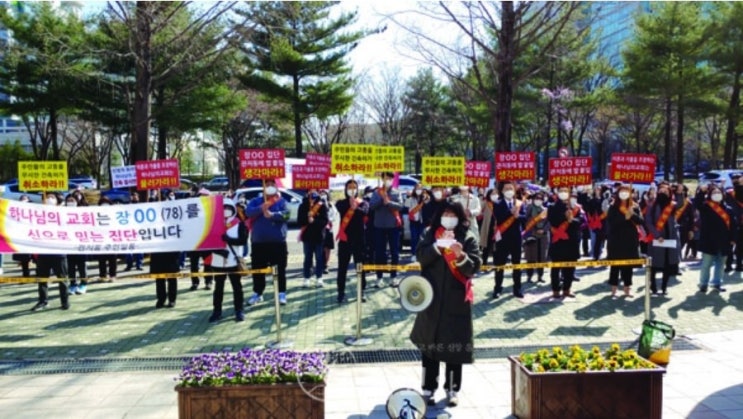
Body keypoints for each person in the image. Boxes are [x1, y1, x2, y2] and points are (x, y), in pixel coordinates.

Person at [410, 201, 482, 408]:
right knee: (429, 347)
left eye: (453, 214)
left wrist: (460, 255)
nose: (448, 217)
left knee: (454, 347)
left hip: (456, 300)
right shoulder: (429, 234)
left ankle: (452, 389)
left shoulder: (467, 237)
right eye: (445, 213)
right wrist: (436, 247)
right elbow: (421, 257)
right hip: (431, 298)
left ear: (460, 217)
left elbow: (473, 268)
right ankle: (428, 388)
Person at [245, 179, 290, 305]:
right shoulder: (256, 201)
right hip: (259, 244)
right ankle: (258, 293)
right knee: (258, 270)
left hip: (277, 243)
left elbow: (287, 215)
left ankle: (281, 293)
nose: (270, 187)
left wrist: (273, 215)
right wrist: (261, 208)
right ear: (263, 187)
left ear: (276, 187)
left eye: (272, 185)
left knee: (280, 269)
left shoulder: (281, 201)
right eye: (267, 184)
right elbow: (248, 212)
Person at [208, 198, 247, 322]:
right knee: (218, 288)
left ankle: (239, 310)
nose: (226, 211)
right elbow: (208, 243)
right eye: (223, 208)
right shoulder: (214, 225)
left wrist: (228, 239)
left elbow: (243, 241)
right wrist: (218, 251)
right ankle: (217, 311)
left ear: (233, 210)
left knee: (237, 287)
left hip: (233, 261)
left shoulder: (239, 224)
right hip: (218, 261)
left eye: (228, 208)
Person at [694, 184, 737, 293]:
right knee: (706, 264)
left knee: (721, 263)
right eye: (714, 193)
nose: (716, 195)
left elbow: (733, 225)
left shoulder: (729, 209)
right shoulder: (706, 207)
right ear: (710, 195)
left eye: (718, 192)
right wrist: (701, 192)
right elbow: (697, 204)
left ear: (722, 194)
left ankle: (717, 283)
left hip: (724, 241)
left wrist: (733, 239)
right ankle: (703, 284)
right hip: (709, 240)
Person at [31, 192, 69, 311]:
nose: (49, 199)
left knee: (62, 279)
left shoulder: (63, 214)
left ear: (58, 201)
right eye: (48, 197)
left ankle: (65, 301)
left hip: (59, 252)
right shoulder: (39, 214)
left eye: (52, 197)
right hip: (43, 252)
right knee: (42, 279)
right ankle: (43, 301)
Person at [606, 184, 644, 299]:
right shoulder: (613, 207)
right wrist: (624, 218)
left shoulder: (634, 206)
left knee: (628, 267)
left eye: (626, 191)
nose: (624, 193)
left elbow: (640, 221)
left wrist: (632, 215)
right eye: (622, 191)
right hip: (616, 240)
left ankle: (627, 288)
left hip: (630, 240)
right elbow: (611, 222)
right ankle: (613, 289)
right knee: (615, 266)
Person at [644, 182, 683, 296]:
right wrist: (657, 235)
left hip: (669, 238)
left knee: (667, 264)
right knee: (654, 264)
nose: (663, 193)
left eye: (666, 192)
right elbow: (648, 222)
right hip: (656, 239)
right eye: (661, 191)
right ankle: (653, 287)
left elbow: (680, 204)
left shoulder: (672, 205)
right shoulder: (652, 205)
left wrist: (679, 192)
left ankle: (664, 287)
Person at [547, 186, 585, 299]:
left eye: (566, 191)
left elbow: (581, 221)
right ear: (557, 193)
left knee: (570, 267)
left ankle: (567, 289)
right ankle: (555, 289)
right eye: (561, 191)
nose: (563, 193)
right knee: (556, 267)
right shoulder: (552, 206)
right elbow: (552, 221)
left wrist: (571, 220)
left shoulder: (576, 207)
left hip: (572, 241)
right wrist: (564, 215)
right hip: (559, 241)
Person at [334, 180, 368, 303]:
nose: (352, 189)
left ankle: (362, 291)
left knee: (360, 267)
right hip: (345, 239)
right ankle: (340, 292)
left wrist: (356, 208)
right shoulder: (341, 203)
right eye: (349, 187)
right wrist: (350, 205)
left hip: (359, 239)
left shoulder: (363, 203)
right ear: (345, 189)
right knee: (342, 267)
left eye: (354, 187)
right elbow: (340, 209)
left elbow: (364, 212)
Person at [491, 181, 526, 299]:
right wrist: (509, 213)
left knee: (517, 264)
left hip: (516, 238)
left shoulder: (519, 203)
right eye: (506, 189)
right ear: (502, 191)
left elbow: (525, 218)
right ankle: (497, 288)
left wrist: (518, 216)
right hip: (503, 238)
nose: (509, 191)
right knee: (500, 265)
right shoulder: (497, 203)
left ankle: (517, 289)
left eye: (511, 188)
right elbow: (498, 217)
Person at [370, 172, 404, 288]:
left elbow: (400, 206)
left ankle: (393, 276)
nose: (387, 180)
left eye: (390, 178)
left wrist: (389, 202)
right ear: (382, 179)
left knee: (394, 253)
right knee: (380, 253)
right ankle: (379, 278)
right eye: (385, 178)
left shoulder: (396, 192)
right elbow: (372, 206)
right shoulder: (376, 192)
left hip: (393, 227)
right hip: (379, 227)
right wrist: (381, 200)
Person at [298, 188, 329, 288]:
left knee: (319, 258)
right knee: (307, 258)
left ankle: (319, 278)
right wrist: (307, 218)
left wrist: (314, 221)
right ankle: (306, 278)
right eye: (310, 190)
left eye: (314, 190)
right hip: (307, 237)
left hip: (319, 236)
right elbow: (299, 221)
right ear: (307, 192)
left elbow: (325, 221)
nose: (312, 192)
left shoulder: (322, 205)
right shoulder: (303, 205)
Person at [522, 191, 549, 283]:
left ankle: (540, 276)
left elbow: (549, 222)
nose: (538, 200)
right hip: (532, 235)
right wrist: (533, 230)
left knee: (542, 257)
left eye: (540, 199)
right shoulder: (529, 208)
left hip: (543, 236)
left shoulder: (545, 209)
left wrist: (544, 229)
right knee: (531, 256)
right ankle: (529, 276)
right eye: (536, 198)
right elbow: (525, 220)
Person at [65, 194, 88, 295]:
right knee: (70, 267)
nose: (70, 202)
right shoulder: (61, 212)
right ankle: (72, 284)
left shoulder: (82, 212)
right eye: (68, 200)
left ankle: (83, 284)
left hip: (80, 245)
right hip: (68, 245)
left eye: (72, 200)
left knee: (82, 266)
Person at [97, 196, 118, 282]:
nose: (104, 204)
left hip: (111, 238)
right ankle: (102, 275)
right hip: (100, 239)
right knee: (101, 259)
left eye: (106, 202)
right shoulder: (96, 213)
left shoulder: (114, 213)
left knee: (112, 259)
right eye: (102, 202)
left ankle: (112, 275)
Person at [405, 183, 426, 263]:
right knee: (414, 238)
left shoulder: (424, 198)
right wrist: (408, 197)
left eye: (420, 188)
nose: (418, 190)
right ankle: (413, 254)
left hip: (421, 221)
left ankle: (420, 254)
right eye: (417, 188)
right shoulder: (411, 198)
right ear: (414, 189)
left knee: (421, 238)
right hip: (413, 220)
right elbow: (406, 205)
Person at [13, 195, 33, 277]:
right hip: (22, 236)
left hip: (33, 236)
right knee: (24, 258)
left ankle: (39, 274)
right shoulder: (16, 209)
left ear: (29, 200)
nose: (23, 200)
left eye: (25, 198)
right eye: (22, 199)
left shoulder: (33, 208)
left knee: (36, 258)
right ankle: (26, 275)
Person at [478, 188, 499, 267]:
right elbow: (479, 208)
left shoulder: (499, 203)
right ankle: (484, 263)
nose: (494, 195)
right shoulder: (486, 203)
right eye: (492, 194)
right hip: (488, 227)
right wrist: (481, 197)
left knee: (496, 247)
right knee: (487, 246)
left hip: (497, 228)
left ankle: (496, 263)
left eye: (496, 194)